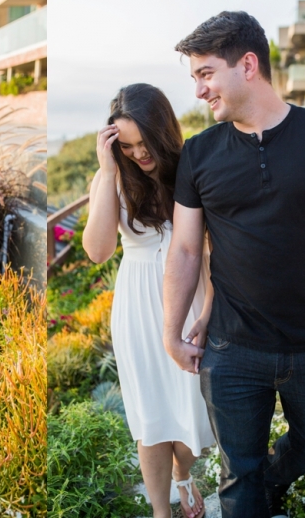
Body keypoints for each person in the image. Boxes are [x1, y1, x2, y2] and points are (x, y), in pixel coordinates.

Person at [163, 11, 305, 518]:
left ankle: (270, 481)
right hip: (231, 349)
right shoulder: (198, 155)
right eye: (194, 77)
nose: (199, 90)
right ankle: (253, 490)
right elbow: (187, 250)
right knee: (237, 482)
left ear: (247, 65)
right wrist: (170, 330)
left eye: (205, 74)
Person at [82, 84, 215, 518]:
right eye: (127, 145)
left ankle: (183, 474)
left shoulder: (193, 168)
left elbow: (215, 249)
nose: (138, 153)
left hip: (190, 296)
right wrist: (106, 172)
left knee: (191, 409)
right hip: (138, 305)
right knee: (151, 416)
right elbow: (98, 250)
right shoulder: (113, 178)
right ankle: (161, 511)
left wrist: (210, 308)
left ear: (162, 132)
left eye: (144, 142)